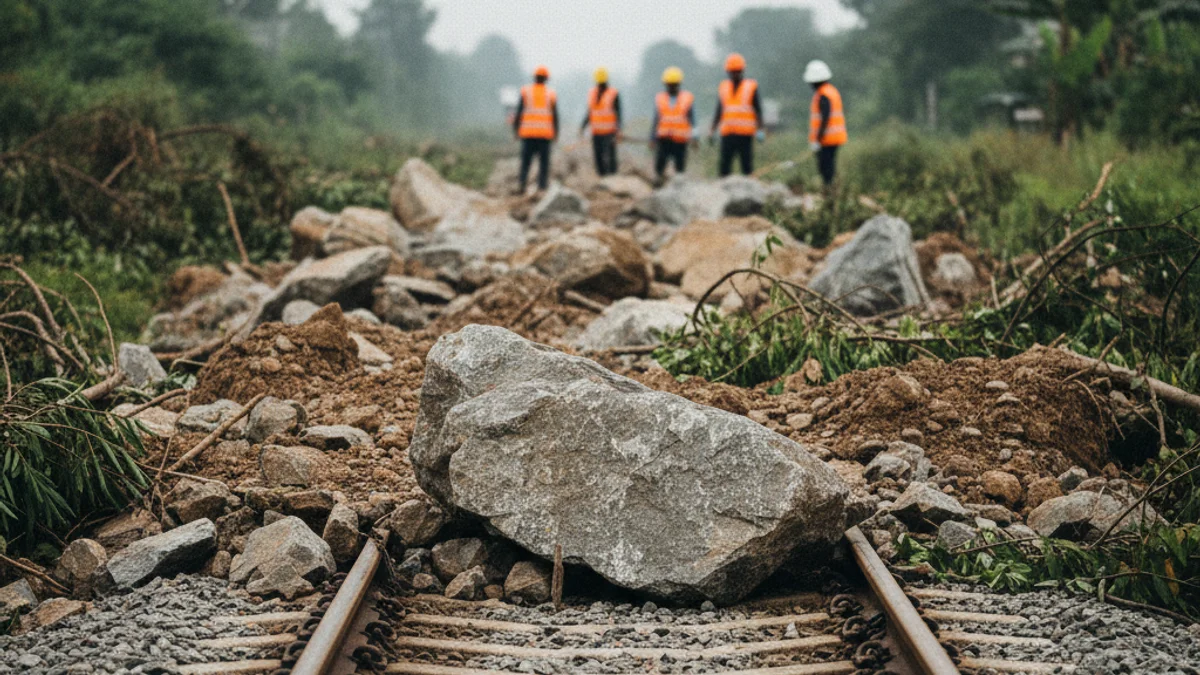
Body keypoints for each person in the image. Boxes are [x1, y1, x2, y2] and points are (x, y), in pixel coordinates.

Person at [710, 53, 764, 177]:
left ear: (742, 71)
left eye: (737, 71)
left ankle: (749, 191)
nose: (735, 74)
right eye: (732, 72)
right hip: (728, 133)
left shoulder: (751, 86)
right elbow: (719, 110)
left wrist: (760, 129)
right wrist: (712, 129)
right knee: (724, 166)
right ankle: (723, 190)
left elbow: (758, 110)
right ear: (728, 72)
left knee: (747, 165)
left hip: (745, 134)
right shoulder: (723, 87)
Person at [513, 65, 559, 194]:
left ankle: (522, 184)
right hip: (544, 135)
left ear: (535, 77)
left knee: (526, 161)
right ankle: (542, 187)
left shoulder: (526, 91)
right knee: (544, 163)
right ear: (546, 79)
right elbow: (555, 115)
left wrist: (516, 130)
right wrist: (556, 132)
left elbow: (519, 112)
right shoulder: (550, 93)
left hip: (528, 134)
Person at [804, 60, 848, 189]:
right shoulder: (831, 91)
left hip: (827, 139)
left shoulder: (823, 94)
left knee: (826, 168)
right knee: (829, 167)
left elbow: (825, 118)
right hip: (833, 138)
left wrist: (818, 139)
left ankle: (829, 192)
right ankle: (830, 190)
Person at [650, 67, 696, 184]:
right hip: (664, 139)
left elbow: (692, 120)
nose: (671, 87)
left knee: (680, 168)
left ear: (679, 84)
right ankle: (658, 185)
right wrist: (652, 138)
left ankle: (679, 188)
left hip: (680, 141)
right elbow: (656, 119)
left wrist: (695, 137)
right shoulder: (661, 98)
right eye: (669, 84)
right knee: (659, 166)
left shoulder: (686, 98)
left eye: (674, 84)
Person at [580, 67, 621, 177]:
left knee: (610, 156)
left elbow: (618, 114)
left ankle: (613, 177)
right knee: (598, 156)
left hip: (609, 132)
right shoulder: (592, 93)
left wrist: (618, 130)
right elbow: (590, 112)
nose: (601, 85)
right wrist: (583, 126)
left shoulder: (613, 94)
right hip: (596, 132)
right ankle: (602, 177)